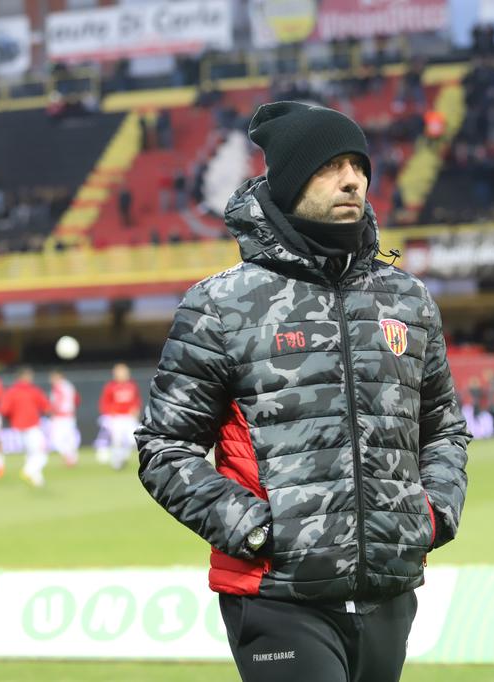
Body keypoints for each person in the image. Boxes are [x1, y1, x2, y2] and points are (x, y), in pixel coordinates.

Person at [136, 101, 471, 682]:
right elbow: (164, 447)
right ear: (290, 181)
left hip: (389, 590)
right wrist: (253, 528)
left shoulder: (408, 299)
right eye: (330, 166)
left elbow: (442, 427)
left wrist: (434, 513)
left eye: (359, 166)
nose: (352, 180)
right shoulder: (220, 305)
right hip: (277, 595)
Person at [0, 368, 52, 488]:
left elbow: (4, 410)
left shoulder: (11, 391)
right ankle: (28, 471)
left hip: (18, 428)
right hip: (32, 426)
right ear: (25, 377)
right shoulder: (33, 390)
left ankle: (38, 480)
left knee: (31, 454)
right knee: (41, 455)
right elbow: (46, 407)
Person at [99, 363, 141, 471]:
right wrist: (109, 413)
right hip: (116, 418)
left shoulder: (132, 385)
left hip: (129, 417)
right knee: (117, 441)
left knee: (133, 440)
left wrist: (136, 409)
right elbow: (105, 402)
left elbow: (136, 400)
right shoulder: (110, 386)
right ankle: (117, 462)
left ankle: (123, 457)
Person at [48, 370, 81, 467]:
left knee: (56, 439)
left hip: (60, 417)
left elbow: (58, 402)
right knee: (69, 439)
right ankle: (72, 457)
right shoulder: (69, 386)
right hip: (69, 416)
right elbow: (77, 399)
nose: (51, 380)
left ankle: (69, 457)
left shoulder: (59, 387)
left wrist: (53, 411)